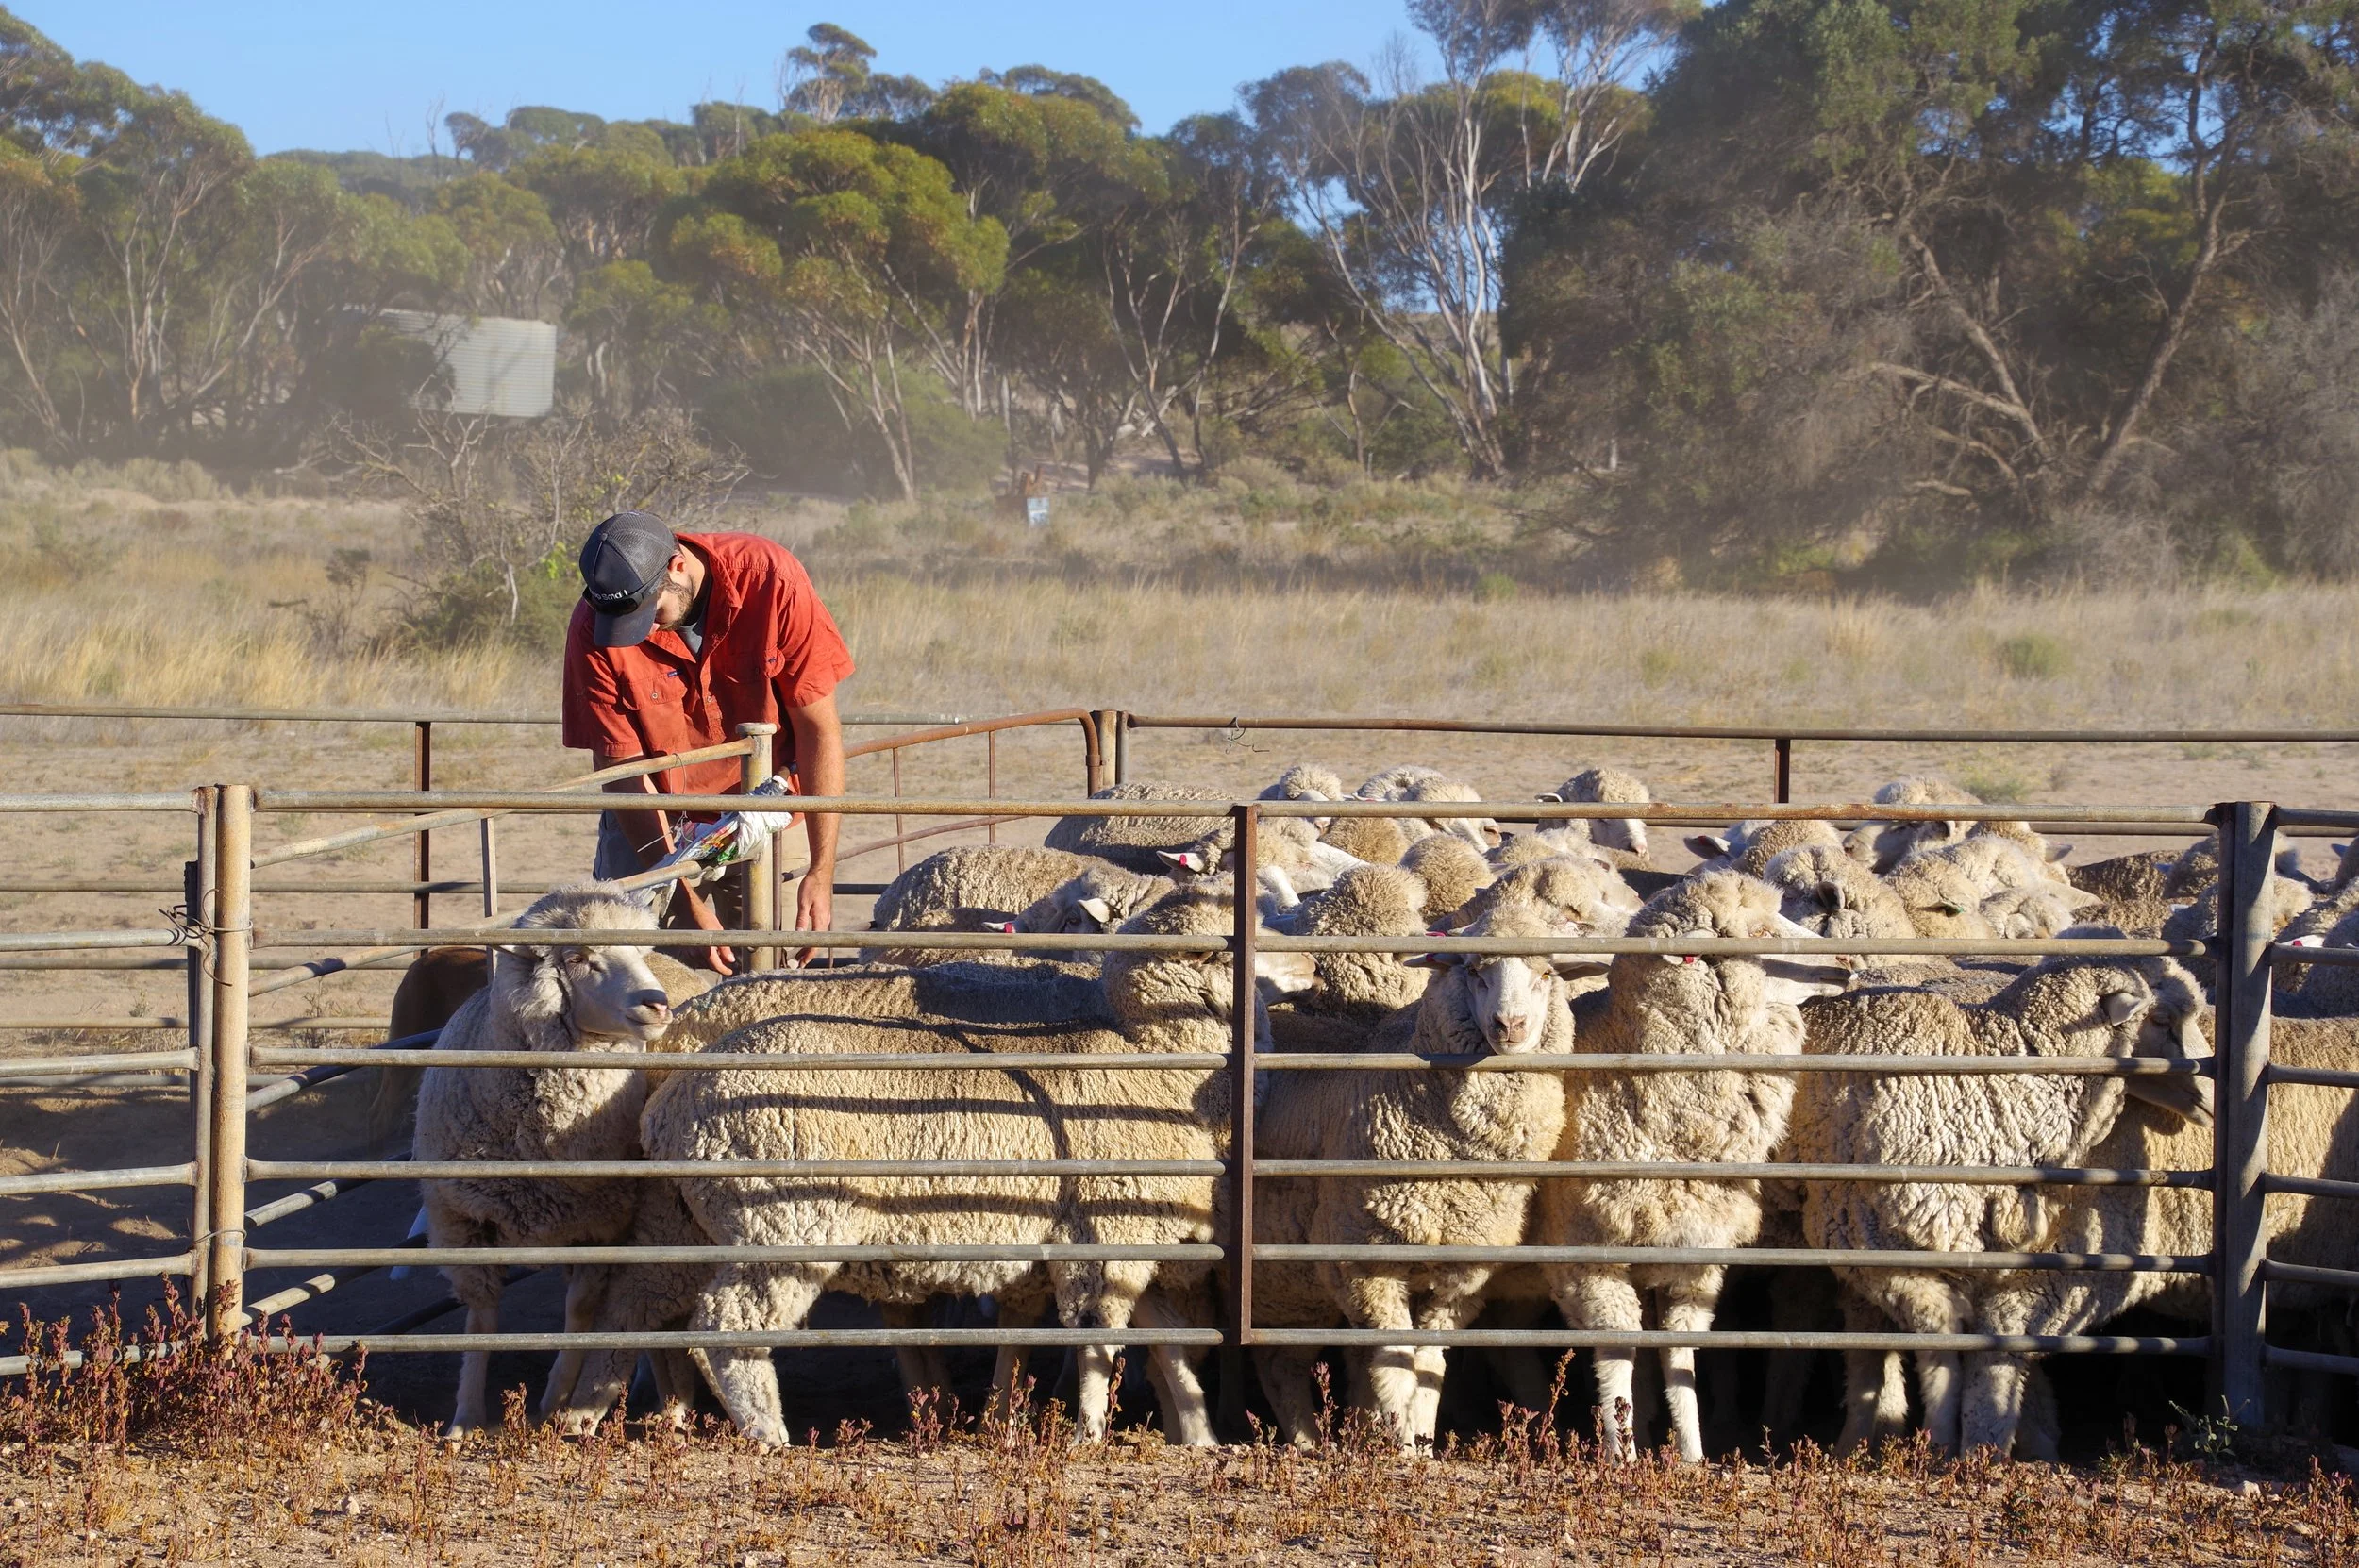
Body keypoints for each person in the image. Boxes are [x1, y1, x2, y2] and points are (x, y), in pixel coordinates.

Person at [560, 510, 854, 971]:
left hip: (767, 808)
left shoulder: (772, 580)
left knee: (773, 972)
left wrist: (822, 869)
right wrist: (678, 890)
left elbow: (819, 728)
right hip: (653, 816)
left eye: (649, 613)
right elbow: (622, 772)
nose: (645, 630)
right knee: (641, 977)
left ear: (677, 566)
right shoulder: (594, 626)